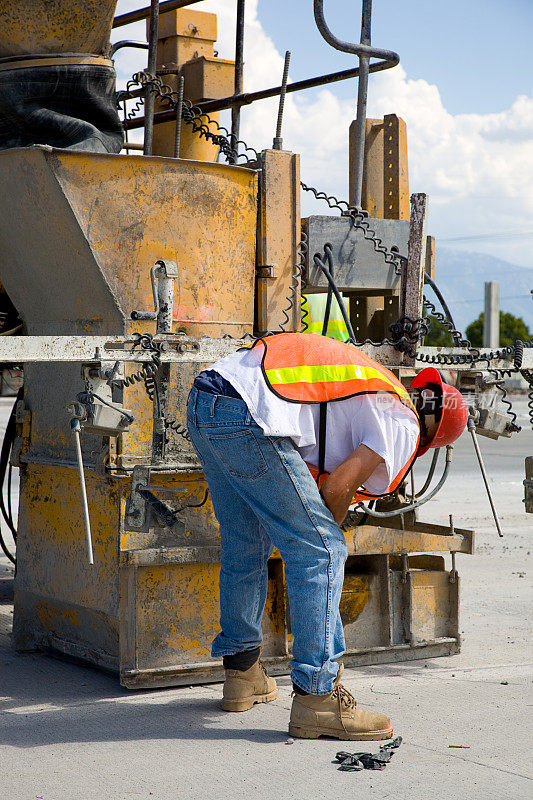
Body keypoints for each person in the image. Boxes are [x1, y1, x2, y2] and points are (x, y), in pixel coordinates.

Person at [186, 332, 468, 740]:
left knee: (246, 546)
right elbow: (337, 489)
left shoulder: (373, 388)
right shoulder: (402, 420)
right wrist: (328, 530)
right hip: (246, 413)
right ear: (433, 437)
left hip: (207, 402)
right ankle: (318, 698)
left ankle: (242, 673)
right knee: (322, 552)